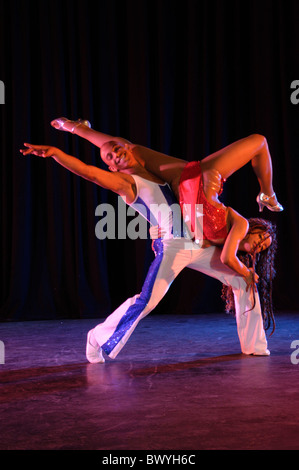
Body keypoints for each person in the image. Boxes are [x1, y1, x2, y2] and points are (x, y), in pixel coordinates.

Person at [19, 117, 280, 362]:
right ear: (112, 167)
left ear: (126, 146)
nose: (115, 153)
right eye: (110, 157)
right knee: (146, 301)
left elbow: (112, 143)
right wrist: (57, 154)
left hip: (197, 243)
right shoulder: (126, 183)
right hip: (173, 247)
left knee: (242, 280)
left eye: (117, 148)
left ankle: (254, 346)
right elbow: (90, 172)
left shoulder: (153, 169)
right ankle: (97, 337)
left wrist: (77, 128)